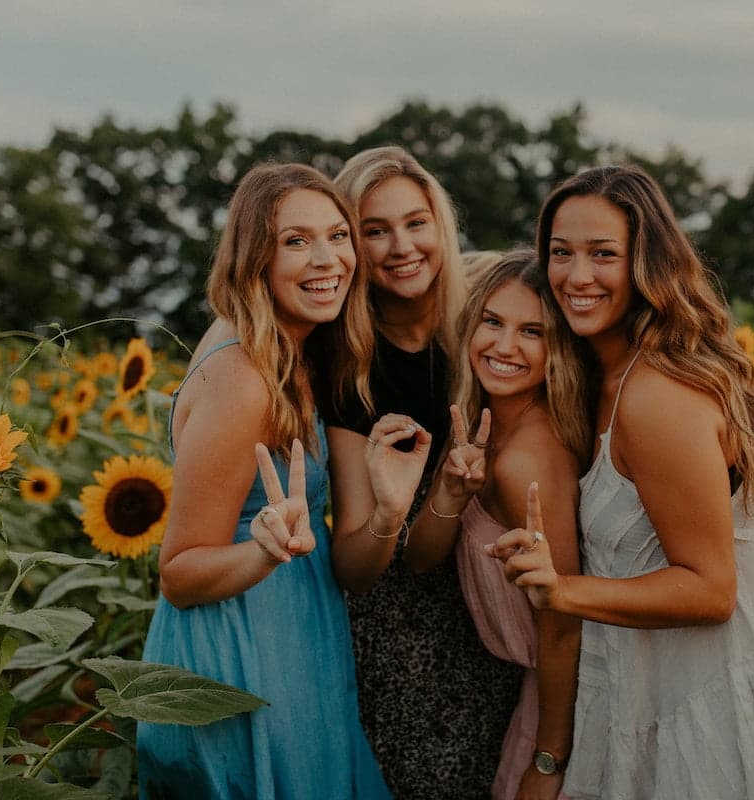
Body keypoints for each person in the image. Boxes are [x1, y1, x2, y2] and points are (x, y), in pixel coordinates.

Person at [490, 165, 754, 799]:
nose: (576, 276)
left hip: (730, 681)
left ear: (647, 263)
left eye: (602, 254)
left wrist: (560, 589)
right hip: (685, 677)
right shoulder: (612, 377)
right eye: (560, 253)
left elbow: (711, 590)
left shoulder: (656, 394)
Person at [136, 162, 391, 800]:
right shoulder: (243, 378)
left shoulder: (290, 350)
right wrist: (264, 550)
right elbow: (180, 570)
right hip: (241, 654)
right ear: (255, 261)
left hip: (291, 636)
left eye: (338, 235)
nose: (327, 258)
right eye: (296, 241)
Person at [319, 146, 521, 798]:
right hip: (410, 638)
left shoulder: (490, 324)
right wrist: (386, 512)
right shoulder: (350, 362)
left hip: (509, 600)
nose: (400, 246)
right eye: (374, 230)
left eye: (415, 222)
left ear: (442, 225)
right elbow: (353, 564)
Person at [404, 250, 587, 800]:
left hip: (556, 707)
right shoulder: (479, 426)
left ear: (560, 351)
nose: (504, 347)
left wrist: (548, 763)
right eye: (492, 321)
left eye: (532, 331)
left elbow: (562, 623)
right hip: (521, 694)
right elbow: (419, 558)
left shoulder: (527, 458)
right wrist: (452, 492)